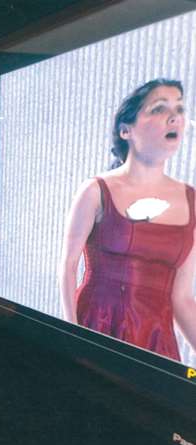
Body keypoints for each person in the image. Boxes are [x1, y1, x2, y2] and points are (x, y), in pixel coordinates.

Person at [59, 78, 196, 363]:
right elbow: (69, 266)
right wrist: (72, 339)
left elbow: (181, 298)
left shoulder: (192, 200)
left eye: (180, 109)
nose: (174, 117)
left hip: (157, 343)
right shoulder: (95, 190)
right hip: (96, 327)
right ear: (126, 130)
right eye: (159, 108)